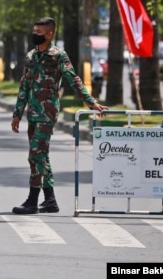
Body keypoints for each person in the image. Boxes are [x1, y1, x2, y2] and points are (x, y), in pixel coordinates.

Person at [10, 17, 108, 214]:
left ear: (49, 34)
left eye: (38, 32)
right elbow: (24, 86)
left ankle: (32, 200)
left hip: (47, 113)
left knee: (35, 155)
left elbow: (74, 80)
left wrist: (91, 103)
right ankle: (50, 200)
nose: (34, 34)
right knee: (42, 156)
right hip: (32, 113)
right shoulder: (30, 56)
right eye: (34, 30)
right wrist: (17, 113)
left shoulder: (58, 56)